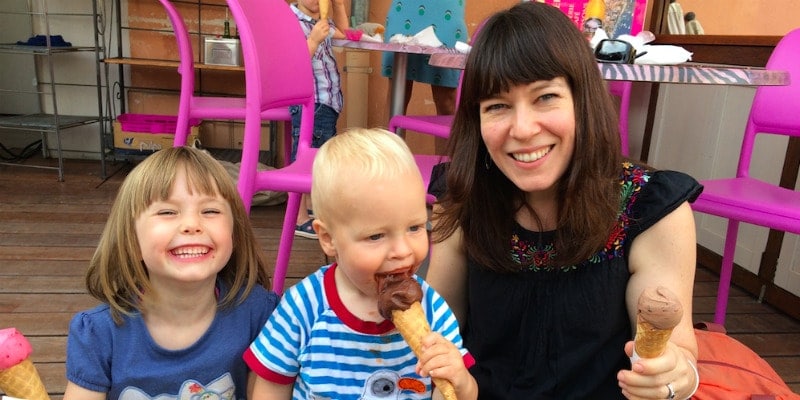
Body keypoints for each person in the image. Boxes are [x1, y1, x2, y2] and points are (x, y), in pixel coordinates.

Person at [426, 3, 702, 399]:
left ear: (582, 100)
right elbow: (438, 332)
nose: (522, 129)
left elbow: (680, 353)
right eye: (497, 106)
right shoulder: (463, 199)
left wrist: (675, 376)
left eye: (545, 97)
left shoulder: (651, 209)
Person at [244, 128, 478, 400]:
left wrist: (460, 381)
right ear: (329, 239)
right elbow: (270, 387)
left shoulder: (432, 310)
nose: (402, 251)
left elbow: (451, 394)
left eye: (415, 227)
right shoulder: (304, 307)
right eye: (376, 236)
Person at [63, 146, 279, 400]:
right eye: (167, 212)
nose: (191, 225)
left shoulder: (259, 314)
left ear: (234, 231)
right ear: (132, 240)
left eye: (210, 210)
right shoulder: (98, 334)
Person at [290, 0, 349, 239]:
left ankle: (312, 208)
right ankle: (298, 217)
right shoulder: (292, 22)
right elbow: (293, 62)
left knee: (319, 157)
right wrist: (313, 40)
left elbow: (343, 36)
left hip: (326, 104)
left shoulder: (321, 22)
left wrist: (339, 7)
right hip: (311, 104)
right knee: (306, 160)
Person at [381, 0, 467, 116]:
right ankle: (391, 134)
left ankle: (451, 134)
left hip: (446, 8)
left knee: (447, 100)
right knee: (397, 96)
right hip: (405, 8)